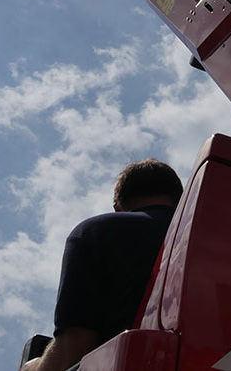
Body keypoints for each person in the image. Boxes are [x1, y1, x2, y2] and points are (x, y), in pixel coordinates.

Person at [22, 159, 183, 371]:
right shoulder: (220, 238)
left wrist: (33, 368)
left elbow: (73, 352)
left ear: (118, 207)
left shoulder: (96, 232)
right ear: (181, 202)